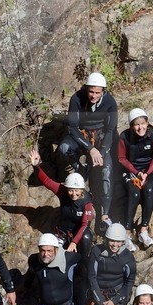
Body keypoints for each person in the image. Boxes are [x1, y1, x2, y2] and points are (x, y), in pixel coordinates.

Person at [57, 72, 118, 226]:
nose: (94, 96)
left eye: (97, 92)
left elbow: (111, 131)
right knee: (64, 148)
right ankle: (80, 168)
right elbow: (73, 127)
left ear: (103, 91)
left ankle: (105, 215)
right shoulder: (77, 99)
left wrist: (102, 153)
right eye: (91, 91)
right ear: (86, 89)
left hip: (101, 138)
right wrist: (90, 149)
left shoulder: (110, 102)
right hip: (81, 136)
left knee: (107, 171)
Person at [29, 151, 95, 251]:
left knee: (86, 238)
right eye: (71, 190)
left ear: (81, 190)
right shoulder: (62, 191)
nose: (73, 193)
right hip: (62, 233)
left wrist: (74, 243)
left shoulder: (87, 202)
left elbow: (85, 225)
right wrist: (36, 166)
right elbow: (47, 181)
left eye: (76, 190)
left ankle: (83, 264)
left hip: (79, 234)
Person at [115, 107, 153, 248]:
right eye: (136, 124)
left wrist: (146, 173)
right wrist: (136, 172)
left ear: (147, 123)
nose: (140, 127)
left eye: (143, 123)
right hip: (130, 170)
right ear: (131, 126)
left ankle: (143, 230)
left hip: (149, 170)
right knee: (134, 193)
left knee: (148, 191)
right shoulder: (124, 136)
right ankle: (127, 233)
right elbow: (122, 158)